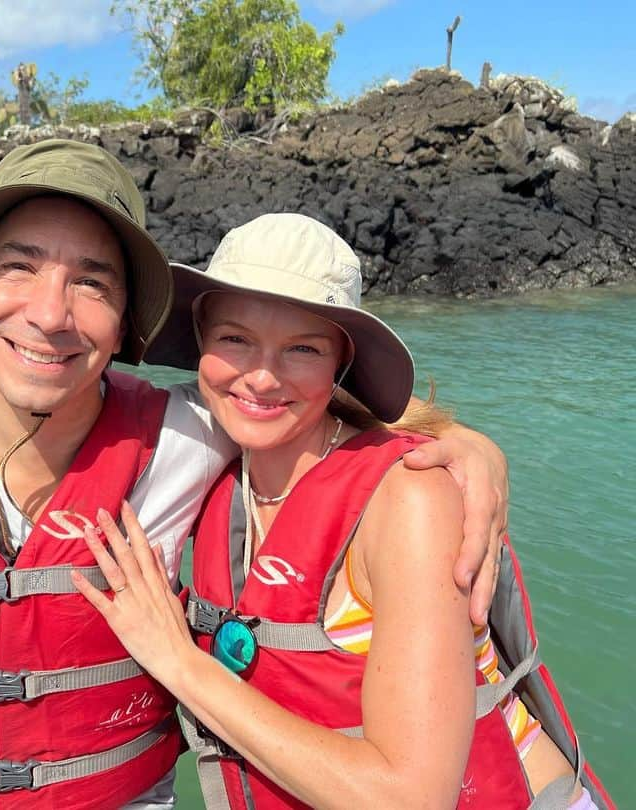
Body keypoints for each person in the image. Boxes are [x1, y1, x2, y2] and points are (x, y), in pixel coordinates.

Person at [0, 141, 508, 810]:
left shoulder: (188, 439)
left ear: (127, 318)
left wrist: (467, 443)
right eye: (18, 266)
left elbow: (293, 395)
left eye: (92, 283)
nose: (48, 313)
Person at [64, 214, 613, 808]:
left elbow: (412, 798)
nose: (262, 376)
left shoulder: (409, 498)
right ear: (201, 342)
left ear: (340, 364)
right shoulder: (214, 451)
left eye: (302, 348)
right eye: (235, 339)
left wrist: (179, 661)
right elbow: (66, 400)